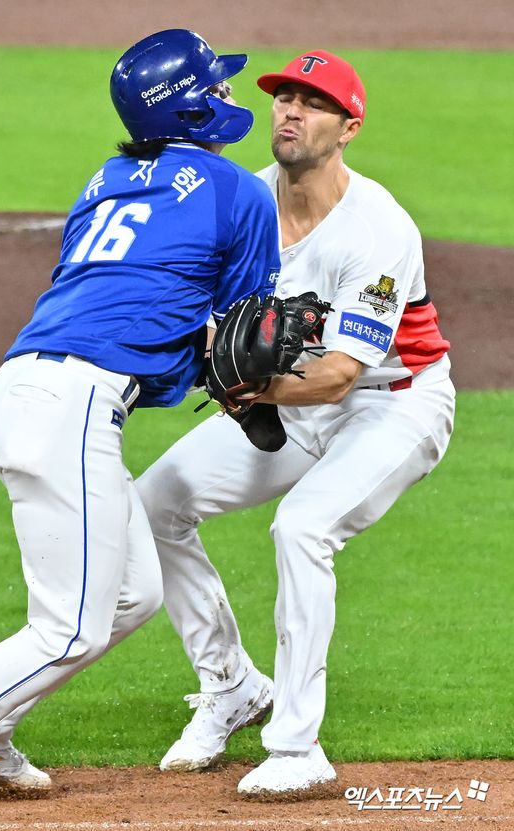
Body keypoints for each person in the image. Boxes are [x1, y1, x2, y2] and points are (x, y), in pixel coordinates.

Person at [0, 29, 282, 812]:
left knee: (134, 593)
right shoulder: (239, 192)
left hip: (19, 393)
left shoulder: (106, 178)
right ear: (190, 104)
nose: (229, 96)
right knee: (70, 628)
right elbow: (249, 333)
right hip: (75, 407)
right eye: (216, 85)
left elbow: (134, 299)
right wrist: (250, 392)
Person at [137, 49, 455, 797]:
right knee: (155, 504)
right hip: (291, 399)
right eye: (283, 96)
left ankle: (296, 745)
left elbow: (343, 373)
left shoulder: (375, 228)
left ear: (348, 127)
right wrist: (214, 361)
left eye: (311, 102)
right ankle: (231, 687)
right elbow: (208, 317)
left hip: (393, 403)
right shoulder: (247, 202)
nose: (288, 110)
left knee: (303, 527)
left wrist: (249, 386)